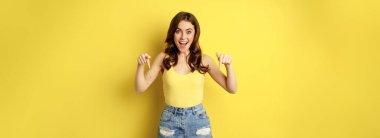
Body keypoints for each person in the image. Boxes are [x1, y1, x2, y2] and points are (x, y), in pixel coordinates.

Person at [135, 11, 237, 138]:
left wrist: (229, 65)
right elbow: (140, 87)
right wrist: (140, 65)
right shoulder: (164, 59)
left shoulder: (204, 60)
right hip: (169, 122)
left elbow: (231, 88)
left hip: (198, 121)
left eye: (188, 31)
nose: (183, 37)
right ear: (173, 33)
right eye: (178, 31)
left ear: (195, 35)